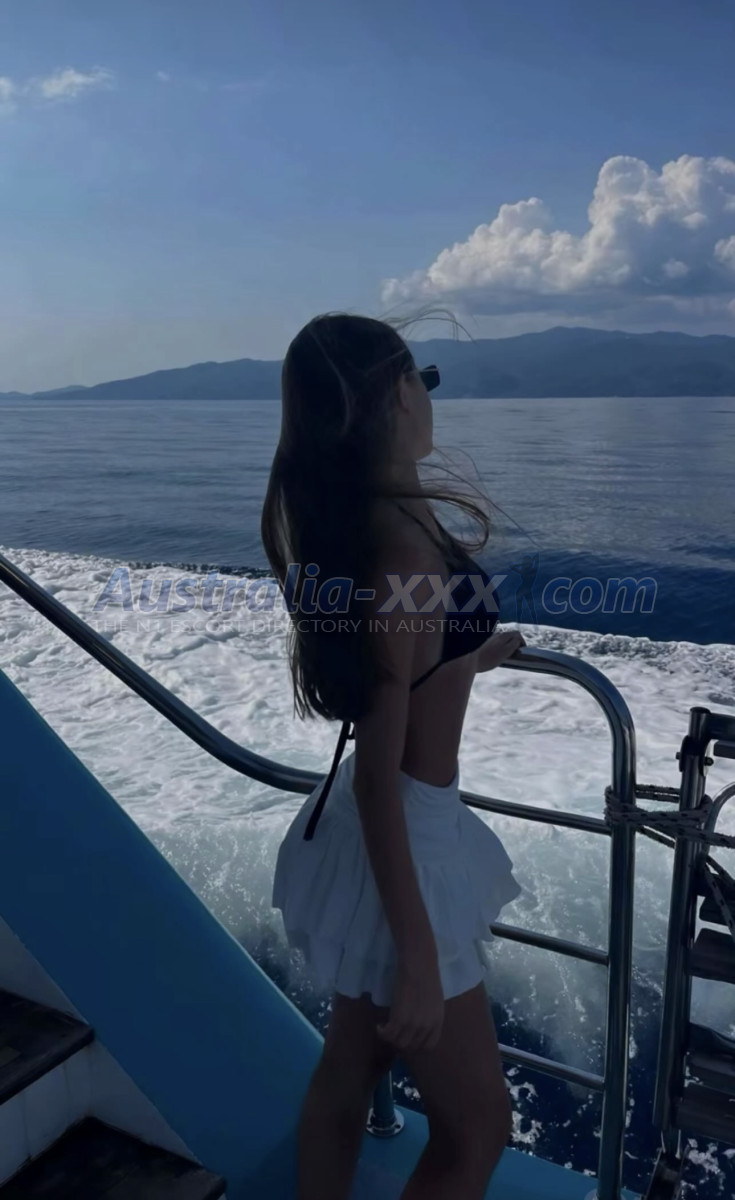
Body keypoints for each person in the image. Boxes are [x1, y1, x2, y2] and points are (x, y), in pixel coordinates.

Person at [261, 313, 524, 1200]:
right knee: (478, 1128)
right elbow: (379, 774)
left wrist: (470, 653)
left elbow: (407, 666)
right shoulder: (401, 546)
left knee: (350, 1067)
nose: (427, 396)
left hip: (385, 823)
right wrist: (416, 956)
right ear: (392, 397)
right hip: (404, 833)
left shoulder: (379, 523)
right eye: (423, 377)